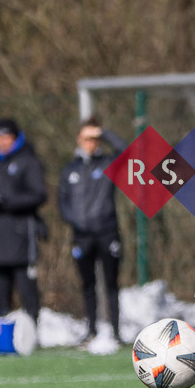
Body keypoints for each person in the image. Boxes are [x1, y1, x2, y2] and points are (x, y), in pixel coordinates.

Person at [58, 117, 126, 344]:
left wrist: (104, 132)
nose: (91, 143)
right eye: (87, 138)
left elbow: (126, 151)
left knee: (111, 283)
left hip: (107, 232)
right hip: (82, 236)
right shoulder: (70, 169)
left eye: (95, 138)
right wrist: (76, 221)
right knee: (87, 284)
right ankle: (91, 330)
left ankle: (116, 331)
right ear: (79, 139)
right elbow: (63, 202)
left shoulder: (107, 163)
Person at [0, 118, 47, 323]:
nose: (1, 142)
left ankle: (33, 328)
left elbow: (39, 195)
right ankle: (1, 334)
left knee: (26, 287)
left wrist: (6, 202)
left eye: (6, 137)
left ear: (15, 138)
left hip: (21, 236)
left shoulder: (29, 162)